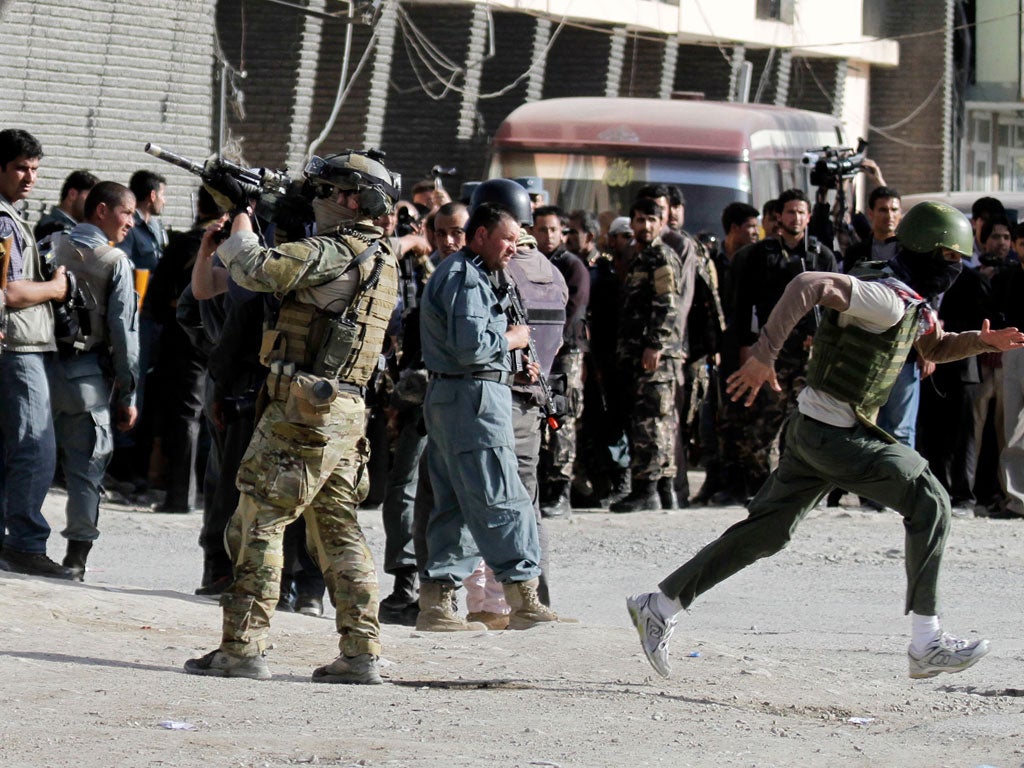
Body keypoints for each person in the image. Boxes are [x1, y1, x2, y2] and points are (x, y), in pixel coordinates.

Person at [626, 201, 1024, 680]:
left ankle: (660, 604)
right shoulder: (886, 298)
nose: (957, 268)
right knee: (932, 501)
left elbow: (932, 347)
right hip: (836, 434)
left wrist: (985, 342)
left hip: (812, 429)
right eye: (951, 258)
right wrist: (764, 355)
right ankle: (926, 640)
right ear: (928, 253)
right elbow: (807, 284)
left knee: (765, 532)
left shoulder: (898, 289)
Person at [184, 148, 402, 684]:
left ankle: (242, 647)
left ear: (353, 200)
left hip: (303, 411)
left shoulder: (337, 249)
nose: (318, 200)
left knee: (258, 520)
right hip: (343, 409)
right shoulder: (381, 254)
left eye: (327, 192)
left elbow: (258, 269)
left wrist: (243, 210)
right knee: (338, 530)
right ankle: (361, 651)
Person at [416, 201, 568, 630]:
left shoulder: (469, 273)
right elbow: (474, 347)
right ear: (479, 236)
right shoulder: (466, 278)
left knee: (455, 505)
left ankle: (436, 605)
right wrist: (516, 339)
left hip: (457, 395)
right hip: (475, 400)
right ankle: (522, 599)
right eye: (506, 239)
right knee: (502, 495)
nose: (513, 248)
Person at [47, 181, 140, 579]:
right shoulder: (115, 261)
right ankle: (76, 558)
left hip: (34, 367)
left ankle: (19, 542)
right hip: (84, 378)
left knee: (23, 460)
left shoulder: (50, 243)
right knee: (86, 468)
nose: (132, 223)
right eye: (127, 213)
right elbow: (124, 335)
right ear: (101, 210)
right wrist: (129, 393)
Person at [0, 128, 73, 578]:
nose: (29, 177)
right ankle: (25, 543)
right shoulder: (3, 221)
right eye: (21, 168)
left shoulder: (11, 215)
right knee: (35, 446)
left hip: (17, 343)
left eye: (34, 169)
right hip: (18, 346)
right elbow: (6, 291)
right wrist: (56, 287)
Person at [609, 197, 685, 513]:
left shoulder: (660, 257)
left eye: (651, 220)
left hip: (655, 356)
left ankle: (646, 490)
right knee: (652, 421)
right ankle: (664, 491)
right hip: (637, 353)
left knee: (651, 422)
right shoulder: (639, 257)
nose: (645, 226)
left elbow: (668, 305)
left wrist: (655, 343)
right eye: (639, 220)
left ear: (661, 222)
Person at [34, 170, 98, 242]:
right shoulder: (52, 228)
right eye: (90, 198)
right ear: (72, 194)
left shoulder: (74, 229)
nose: (93, 205)